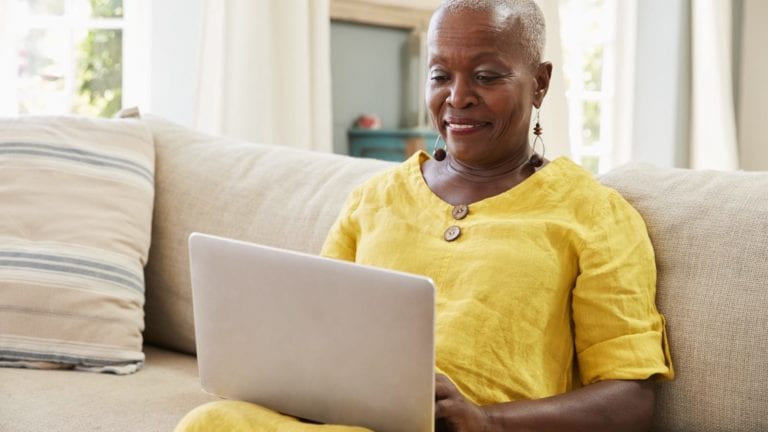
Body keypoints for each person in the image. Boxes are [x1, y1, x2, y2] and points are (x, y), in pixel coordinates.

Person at [175, 0, 673, 431]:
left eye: (486, 76)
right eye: (440, 76)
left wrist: (486, 422)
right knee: (210, 422)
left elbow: (632, 400)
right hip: (354, 423)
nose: (457, 97)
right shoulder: (374, 199)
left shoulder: (596, 214)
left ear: (539, 83)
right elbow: (314, 343)